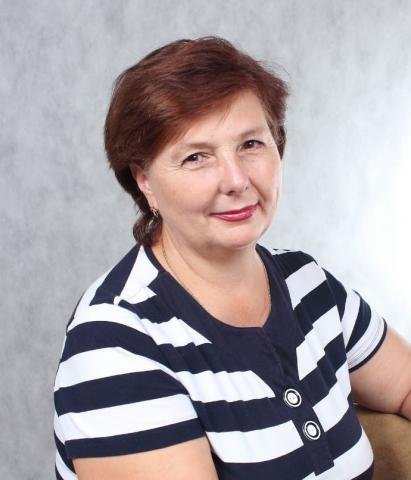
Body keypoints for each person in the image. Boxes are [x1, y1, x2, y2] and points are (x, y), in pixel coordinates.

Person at [53, 37, 411, 480]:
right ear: (144, 180)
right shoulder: (114, 342)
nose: (236, 180)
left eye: (251, 144)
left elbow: (404, 385)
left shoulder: (307, 282)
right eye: (196, 157)